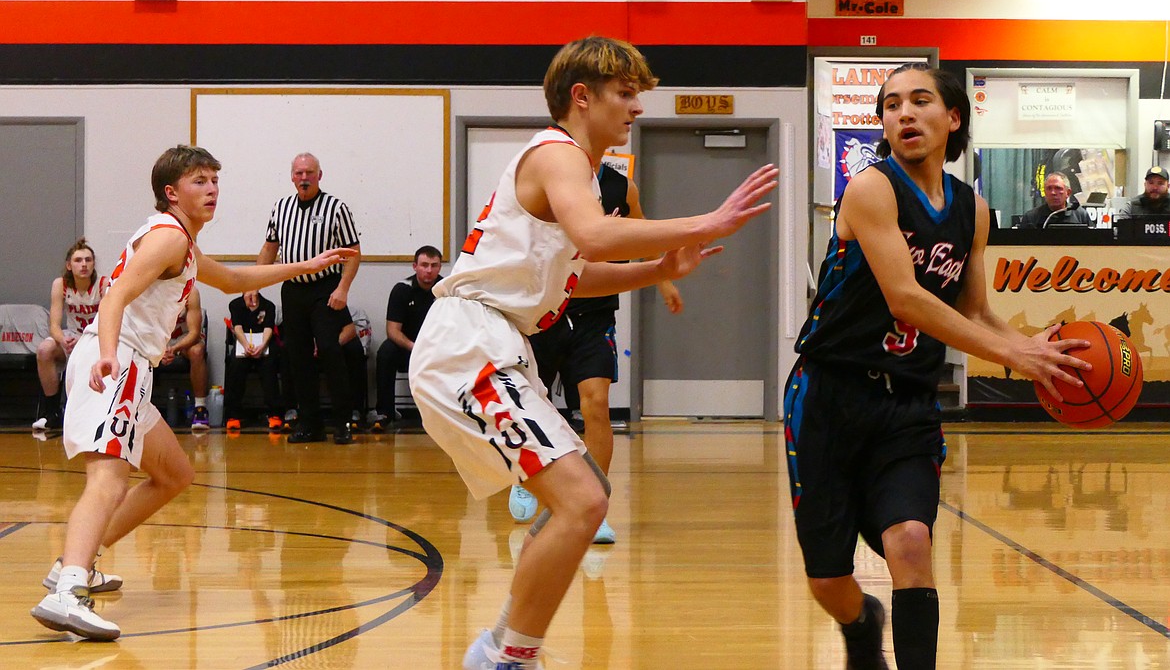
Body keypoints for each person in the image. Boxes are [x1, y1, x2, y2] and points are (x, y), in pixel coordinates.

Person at [408, 35, 778, 670]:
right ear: (582, 97)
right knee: (583, 501)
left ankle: (505, 650)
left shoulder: (568, 168)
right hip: (470, 345)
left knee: (577, 505)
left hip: (490, 342)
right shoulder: (558, 154)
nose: (637, 109)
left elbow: (575, 274)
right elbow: (596, 235)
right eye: (626, 94)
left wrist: (660, 266)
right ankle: (503, 655)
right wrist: (704, 222)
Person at [784, 64, 1091, 670]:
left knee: (912, 540)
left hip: (907, 402)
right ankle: (860, 621)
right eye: (891, 104)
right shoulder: (872, 188)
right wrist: (1010, 354)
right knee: (828, 579)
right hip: (828, 393)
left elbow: (974, 309)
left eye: (919, 100)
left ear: (953, 118)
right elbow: (907, 298)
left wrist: (1033, 349)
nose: (904, 113)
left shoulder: (973, 210)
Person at [30, 144, 354, 641]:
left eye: (215, 181)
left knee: (174, 474)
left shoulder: (181, 241)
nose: (212, 190)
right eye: (200, 181)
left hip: (130, 364)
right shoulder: (167, 237)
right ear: (171, 192)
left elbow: (235, 278)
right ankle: (68, 590)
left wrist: (304, 265)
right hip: (117, 360)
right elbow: (114, 295)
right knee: (110, 476)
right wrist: (110, 354)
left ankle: (76, 564)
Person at [510, 166, 683, 545]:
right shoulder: (548, 180)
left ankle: (597, 508)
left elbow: (643, 235)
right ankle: (530, 477)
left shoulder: (622, 187)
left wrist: (664, 280)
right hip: (547, 309)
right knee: (531, 403)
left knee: (597, 404)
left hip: (596, 314)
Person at [257, 152, 362, 445]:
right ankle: (310, 422)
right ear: (292, 177)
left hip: (324, 289)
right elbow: (269, 247)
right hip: (292, 289)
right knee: (297, 356)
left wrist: (343, 289)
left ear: (319, 175)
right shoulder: (281, 207)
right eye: (299, 173)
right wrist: (253, 282)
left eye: (310, 173)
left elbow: (353, 252)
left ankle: (343, 421)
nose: (304, 178)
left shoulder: (336, 207)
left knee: (330, 349)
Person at [33, 238, 109, 430]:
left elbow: (110, 322)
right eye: (78, 260)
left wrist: (89, 340)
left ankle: (98, 413)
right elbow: (54, 325)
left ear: (93, 264)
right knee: (44, 350)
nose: (83, 264)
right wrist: (62, 340)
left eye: (88, 260)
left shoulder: (104, 284)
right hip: (73, 336)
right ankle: (51, 412)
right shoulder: (61, 285)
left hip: (97, 338)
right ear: (69, 265)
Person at [373, 245, 442, 430]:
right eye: (424, 265)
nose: (429, 270)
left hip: (437, 348)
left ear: (440, 268)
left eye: (434, 265)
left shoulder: (446, 291)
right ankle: (385, 412)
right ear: (414, 266)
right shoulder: (402, 290)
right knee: (386, 352)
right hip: (408, 347)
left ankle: (446, 414)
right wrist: (415, 347)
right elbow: (392, 330)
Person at [224, 289, 282, 430]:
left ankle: (274, 413)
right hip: (244, 345)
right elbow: (237, 327)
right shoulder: (235, 305)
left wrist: (262, 346)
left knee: (269, 365)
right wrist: (246, 346)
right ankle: (233, 415)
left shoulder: (268, 306)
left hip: (263, 345)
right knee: (236, 366)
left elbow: (269, 328)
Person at [156, 286, 209, 429]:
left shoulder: (191, 292)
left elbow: (194, 333)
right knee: (136, 350)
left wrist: (174, 349)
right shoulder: (150, 290)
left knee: (197, 351)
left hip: (184, 338)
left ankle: (200, 408)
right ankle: (136, 407)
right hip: (158, 339)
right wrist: (159, 351)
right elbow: (144, 329)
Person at [1018, 171, 1090, 228]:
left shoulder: (1081, 215)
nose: (1053, 193)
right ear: (1045, 192)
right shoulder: (1031, 217)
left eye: (1058, 188)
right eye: (1049, 188)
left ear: (1068, 193)